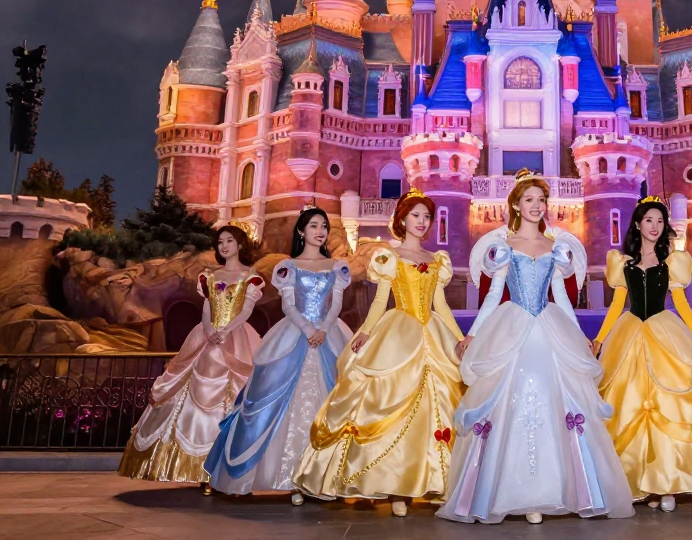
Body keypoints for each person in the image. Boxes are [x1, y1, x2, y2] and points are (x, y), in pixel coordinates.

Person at [436, 169, 634, 525]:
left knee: (553, 396)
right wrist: (473, 335)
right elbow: (494, 294)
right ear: (515, 204)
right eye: (529, 200)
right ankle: (512, 492)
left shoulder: (555, 249)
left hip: (547, 326)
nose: (537, 206)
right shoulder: (503, 248)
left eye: (541, 200)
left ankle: (553, 490)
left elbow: (560, 296)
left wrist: (579, 338)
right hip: (512, 325)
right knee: (509, 398)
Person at [293, 189, 465, 515]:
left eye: (426, 216)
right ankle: (396, 488)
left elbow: (440, 305)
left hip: (432, 334)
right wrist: (366, 333)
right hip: (399, 332)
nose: (422, 221)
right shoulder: (390, 256)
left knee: (439, 401)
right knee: (390, 401)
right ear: (402, 219)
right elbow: (379, 300)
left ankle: (437, 480)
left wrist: (460, 338)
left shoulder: (436, 260)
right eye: (415, 215)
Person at [591, 198, 692, 509]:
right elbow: (617, 305)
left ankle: (669, 485)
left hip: (664, 330)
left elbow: (682, 303)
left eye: (659, 221)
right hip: (631, 332)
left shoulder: (672, 263)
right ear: (637, 224)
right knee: (631, 403)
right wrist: (598, 339)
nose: (654, 226)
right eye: (649, 220)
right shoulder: (623, 265)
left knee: (672, 400)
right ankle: (642, 482)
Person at [204, 206, 351, 500]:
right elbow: (288, 305)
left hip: (328, 334)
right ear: (301, 231)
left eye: (323, 226)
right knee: (271, 397)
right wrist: (308, 330)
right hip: (295, 334)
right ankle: (288, 478)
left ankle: (322, 478)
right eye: (313, 226)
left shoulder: (337, 267)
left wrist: (322, 328)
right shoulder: (288, 266)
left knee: (335, 398)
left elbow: (335, 304)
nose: (320, 231)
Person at [119, 224, 263, 487]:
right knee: (191, 385)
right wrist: (209, 331)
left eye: (229, 241)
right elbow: (207, 307)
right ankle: (199, 470)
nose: (224, 246)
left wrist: (226, 330)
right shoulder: (210, 276)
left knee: (239, 392)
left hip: (237, 336)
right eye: (220, 242)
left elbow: (246, 311)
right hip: (207, 338)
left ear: (240, 245)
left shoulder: (250, 276)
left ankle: (232, 469)